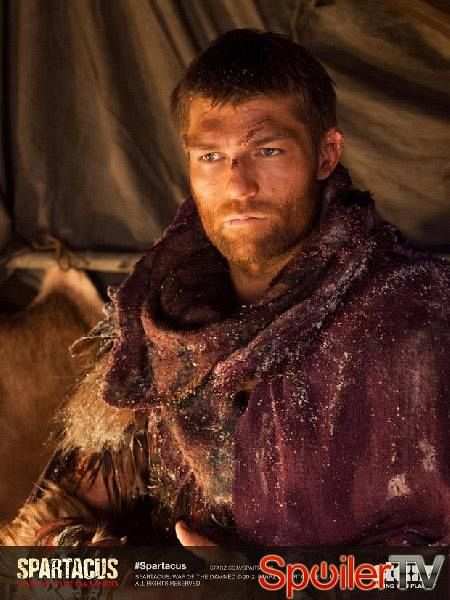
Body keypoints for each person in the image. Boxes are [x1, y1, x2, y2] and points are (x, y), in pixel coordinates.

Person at [2, 28, 449, 548]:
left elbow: (430, 573)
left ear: (326, 154)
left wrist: (253, 583)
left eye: (268, 150)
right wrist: (92, 558)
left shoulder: (420, 316)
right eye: (211, 156)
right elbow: (63, 514)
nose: (238, 186)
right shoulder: (155, 322)